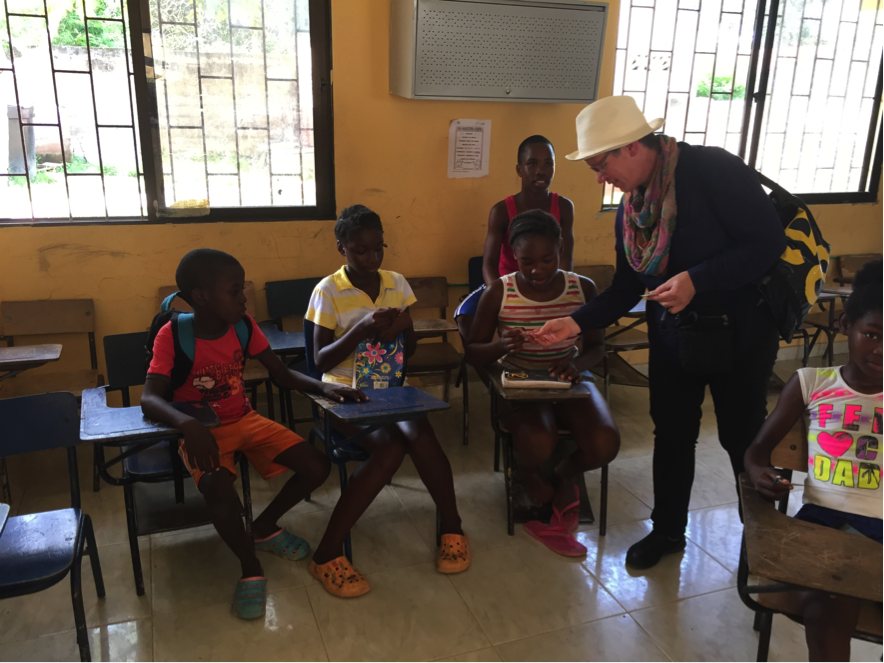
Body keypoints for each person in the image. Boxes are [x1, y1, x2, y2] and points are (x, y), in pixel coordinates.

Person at [531, 95, 787, 569]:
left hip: (740, 333)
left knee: (742, 438)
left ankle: (764, 541)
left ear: (630, 146)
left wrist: (697, 279)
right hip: (673, 336)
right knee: (671, 435)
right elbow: (627, 285)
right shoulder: (631, 209)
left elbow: (767, 243)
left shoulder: (711, 170)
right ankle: (668, 531)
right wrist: (574, 321)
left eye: (599, 164)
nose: (598, 177)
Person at [141, 249, 363, 620]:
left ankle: (262, 527)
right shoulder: (173, 334)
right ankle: (249, 566)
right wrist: (188, 425)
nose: (244, 298)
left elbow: (282, 374)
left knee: (316, 466)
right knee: (216, 486)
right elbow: (149, 397)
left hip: (244, 419)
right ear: (201, 297)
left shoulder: (244, 325)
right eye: (235, 291)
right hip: (201, 430)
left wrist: (325, 389)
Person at [305, 204, 470, 596]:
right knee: (391, 448)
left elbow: (407, 349)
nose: (371, 257)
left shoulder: (396, 282)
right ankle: (326, 553)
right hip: (343, 392)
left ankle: (452, 525)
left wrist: (402, 327)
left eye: (378, 248)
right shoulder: (327, 290)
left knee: (420, 432)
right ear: (340, 247)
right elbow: (319, 361)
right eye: (360, 250)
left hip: (392, 387)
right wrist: (361, 329)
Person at [744, 259, 883, 663]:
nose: (880, 350)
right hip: (827, 524)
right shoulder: (812, 383)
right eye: (872, 334)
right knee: (827, 617)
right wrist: (759, 473)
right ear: (846, 326)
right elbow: (757, 450)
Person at [465, 210, 620, 554]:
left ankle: (565, 473)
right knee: (538, 440)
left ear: (561, 248)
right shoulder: (499, 292)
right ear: (513, 256)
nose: (538, 270)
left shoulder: (583, 288)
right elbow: (473, 353)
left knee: (605, 443)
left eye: (548, 259)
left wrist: (576, 363)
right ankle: (530, 471)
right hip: (519, 384)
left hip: (569, 381)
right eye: (526, 261)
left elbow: (597, 347)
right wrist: (500, 345)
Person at [482, 135, 574, 286]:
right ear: (519, 169)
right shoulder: (501, 211)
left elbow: (566, 260)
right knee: (467, 310)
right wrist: (499, 294)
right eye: (532, 164)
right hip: (509, 288)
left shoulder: (564, 208)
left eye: (548, 164)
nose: (540, 171)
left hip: (549, 287)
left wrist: (558, 293)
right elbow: (489, 265)